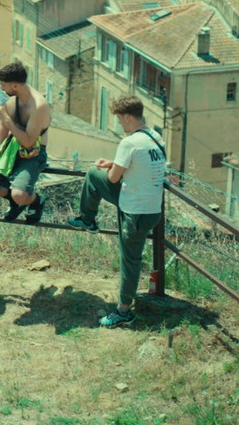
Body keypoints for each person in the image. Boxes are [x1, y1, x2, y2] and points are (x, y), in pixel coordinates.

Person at [67, 95, 166, 327]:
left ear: (128, 117)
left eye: (120, 119)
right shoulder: (156, 137)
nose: (120, 124)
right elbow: (140, 165)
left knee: (130, 260)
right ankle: (87, 219)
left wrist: (112, 168)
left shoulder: (129, 142)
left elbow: (112, 179)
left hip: (135, 210)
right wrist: (114, 163)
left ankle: (123, 311)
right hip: (153, 209)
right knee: (95, 174)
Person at [0, 62, 51, 224]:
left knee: (20, 195)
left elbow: (28, 142)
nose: (1, 88)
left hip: (32, 152)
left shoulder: (38, 106)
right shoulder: (9, 97)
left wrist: (5, 118)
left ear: (15, 85)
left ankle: (35, 201)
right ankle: (11, 198)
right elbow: (3, 127)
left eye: (3, 84)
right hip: (9, 147)